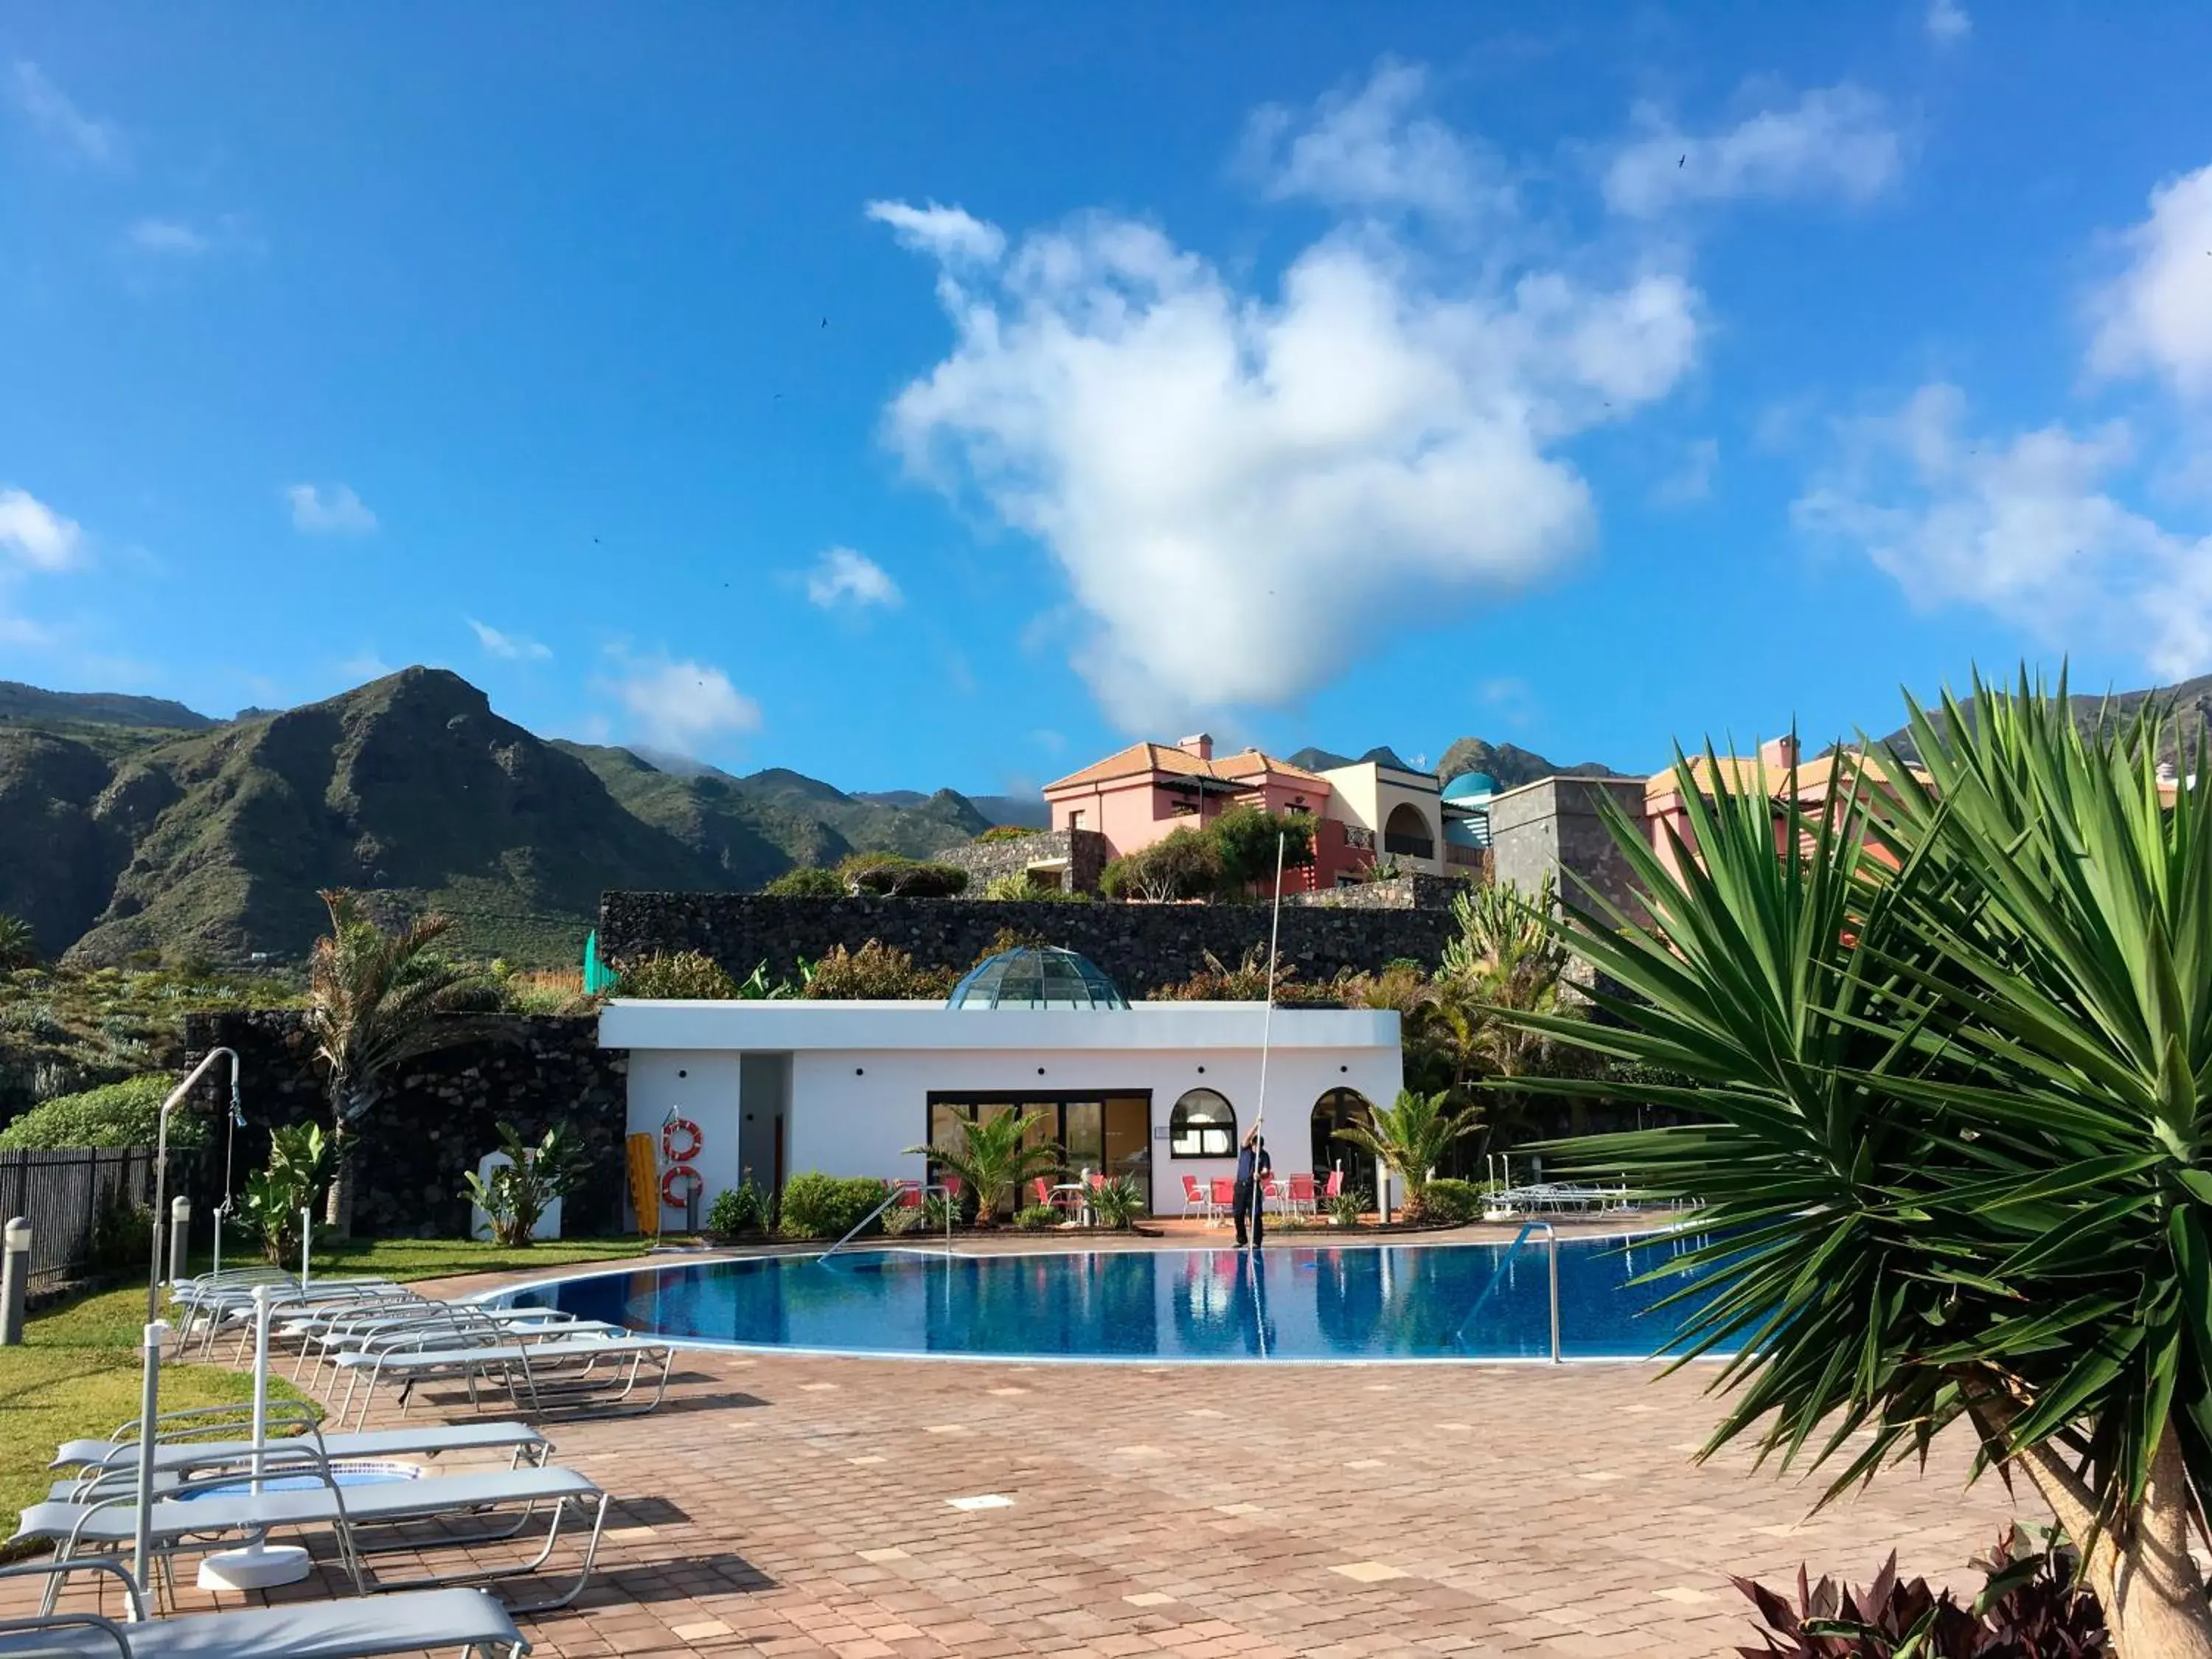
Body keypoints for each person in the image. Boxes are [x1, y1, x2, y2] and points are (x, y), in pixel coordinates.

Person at [1233, 1126, 1271, 1250]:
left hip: (1253, 1188)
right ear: (1252, 1144)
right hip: (1240, 1187)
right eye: (1255, 1146)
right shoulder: (1245, 1150)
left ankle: (1256, 1241)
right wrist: (1256, 1126)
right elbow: (1247, 1137)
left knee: (1255, 1215)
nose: (1257, 1149)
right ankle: (1241, 1239)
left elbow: (1266, 1171)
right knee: (1238, 1214)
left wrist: (1260, 1175)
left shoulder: (1264, 1156)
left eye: (1260, 1147)